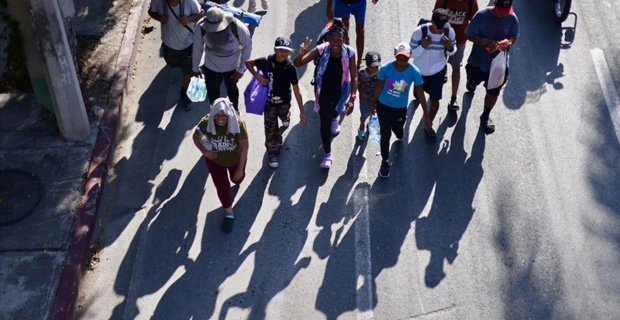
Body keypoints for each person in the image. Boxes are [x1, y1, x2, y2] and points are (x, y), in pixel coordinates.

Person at [293, 25, 358, 169]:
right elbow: (298, 63)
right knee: (324, 120)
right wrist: (300, 54)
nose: (335, 44)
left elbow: (354, 77)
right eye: (333, 40)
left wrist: (352, 97)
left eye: (339, 40)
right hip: (323, 91)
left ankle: (335, 117)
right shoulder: (322, 49)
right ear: (329, 39)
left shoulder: (350, 53)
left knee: (336, 109)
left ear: (344, 40)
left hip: (340, 89)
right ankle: (328, 154)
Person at [245, 36, 306, 168]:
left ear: (290, 52)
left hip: (284, 102)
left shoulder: (290, 68)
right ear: (275, 49)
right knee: (271, 129)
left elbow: (296, 89)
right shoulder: (265, 61)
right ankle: (273, 152)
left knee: (283, 115)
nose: (283, 53)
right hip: (269, 103)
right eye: (280, 50)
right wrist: (258, 77)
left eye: (286, 50)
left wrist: (302, 111)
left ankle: (285, 116)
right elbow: (248, 63)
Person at [370, 43, 428, 178]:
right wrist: (373, 104)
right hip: (383, 106)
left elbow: (420, 93)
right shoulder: (385, 68)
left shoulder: (414, 72)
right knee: (385, 135)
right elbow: (378, 87)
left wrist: (427, 115)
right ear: (395, 55)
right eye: (399, 58)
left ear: (409, 57)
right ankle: (385, 161)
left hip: (400, 109)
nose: (402, 62)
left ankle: (399, 130)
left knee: (398, 131)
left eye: (405, 58)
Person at [193, 98, 249, 233]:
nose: (220, 118)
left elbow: (244, 148)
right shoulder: (206, 122)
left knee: (237, 180)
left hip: (235, 160)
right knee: (222, 186)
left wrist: (240, 169)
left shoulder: (238, 124)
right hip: (215, 162)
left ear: (230, 114)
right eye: (217, 114)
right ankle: (229, 212)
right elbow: (196, 137)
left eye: (224, 114)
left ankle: (236, 178)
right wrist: (205, 153)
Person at [465, 0, 519, 133]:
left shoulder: (512, 18)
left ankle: (485, 116)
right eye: (500, 11)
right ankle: (471, 84)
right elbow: (469, 35)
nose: (502, 15)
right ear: (495, 3)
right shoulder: (481, 15)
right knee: (472, 81)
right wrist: (487, 42)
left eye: (505, 12)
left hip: (499, 66)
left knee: (493, 92)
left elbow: (514, 36)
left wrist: (508, 42)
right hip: (478, 61)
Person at [192, 6, 253, 112]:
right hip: (211, 66)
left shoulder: (239, 27)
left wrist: (241, 69)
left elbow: (247, 47)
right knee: (212, 92)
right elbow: (197, 47)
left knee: (232, 89)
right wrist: (195, 67)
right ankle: (215, 113)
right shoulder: (200, 27)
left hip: (232, 66)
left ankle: (235, 111)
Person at [410, 8, 456, 143]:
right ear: (432, 22)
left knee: (435, 100)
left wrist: (449, 47)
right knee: (419, 95)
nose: (441, 30)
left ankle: (428, 126)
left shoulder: (449, 31)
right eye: (439, 27)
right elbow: (411, 53)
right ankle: (418, 91)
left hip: (438, 71)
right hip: (419, 72)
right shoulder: (419, 31)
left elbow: (453, 51)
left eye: (444, 26)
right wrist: (423, 46)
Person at [148, 0, 204, 110]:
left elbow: (202, 13)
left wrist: (189, 19)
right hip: (169, 45)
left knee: (187, 71)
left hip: (188, 44)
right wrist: (160, 18)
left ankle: (185, 93)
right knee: (173, 64)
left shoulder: (190, 2)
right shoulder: (158, 2)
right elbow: (151, 12)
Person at [433, 0, 479, 111]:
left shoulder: (471, 2)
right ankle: (433, 94)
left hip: (459, 41)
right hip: (442, 40)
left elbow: (475, 21)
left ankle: (453, 98)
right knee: (437, 67)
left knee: (456, 67)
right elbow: (435, 16)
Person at [326, 0, 379, 68]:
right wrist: (328, 7)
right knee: (345, 21)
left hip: (359, 3)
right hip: (343, 2)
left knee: (360, 32)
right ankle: (346, 38)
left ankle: (359, 61)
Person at [357, 51, 381, 140]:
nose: (374, 69)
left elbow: (387, 83)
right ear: (367, 64)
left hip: (376, 98)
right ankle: (362, 125)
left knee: (374, 112)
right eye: (372, 67)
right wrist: (361, 93)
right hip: (365, 99)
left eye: (376, 67)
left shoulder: (381, 73)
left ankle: (370, 123)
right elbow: (356, 83)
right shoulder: (361, 72)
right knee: (364, 114)